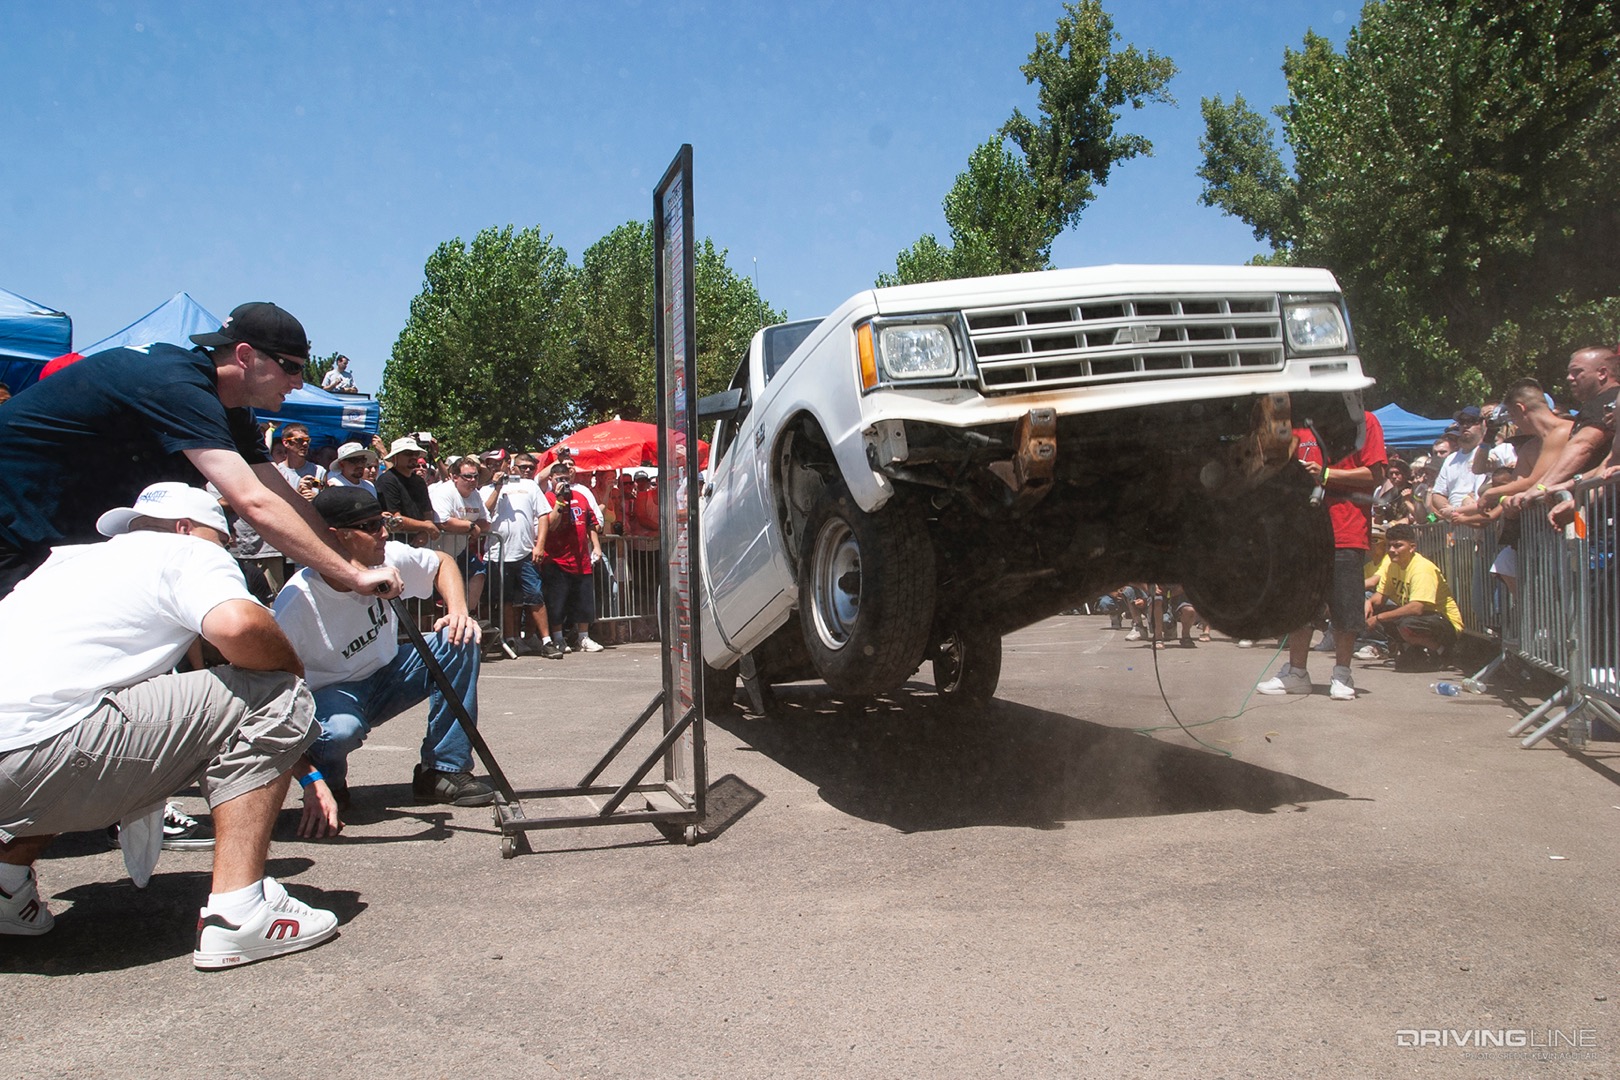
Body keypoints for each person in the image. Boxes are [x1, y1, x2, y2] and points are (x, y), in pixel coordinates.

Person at [0, 483, 340, 967]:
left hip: (23, 755)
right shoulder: (184, 550)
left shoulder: (67, 564)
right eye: (222, 541)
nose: (224, 552)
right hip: (37, 754)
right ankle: (239, 914)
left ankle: (6, 886)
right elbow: (239, 627)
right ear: (185, 528)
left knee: (95, 715)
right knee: (276, 691)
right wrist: (290, 669)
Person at [0, 301, 402, 601]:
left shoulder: (232, 409)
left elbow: (281, 497)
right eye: (292, 367)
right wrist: (351, 576)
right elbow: (253, 502)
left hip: (53, 539)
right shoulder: (178, 385)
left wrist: (348, 565)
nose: (299, 382)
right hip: (12, 533)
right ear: (245, 356)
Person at [272, 487, 496, 815]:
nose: (383, 533)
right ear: (338, 537)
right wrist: (309, 780)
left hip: (386, 674)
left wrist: (459, 610)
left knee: (458, 638)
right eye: (371, 525)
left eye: (384, 522)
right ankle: (328, 782)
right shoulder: (296, 603)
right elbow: (270, 704)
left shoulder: (386, 555)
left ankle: (443, 769)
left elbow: (442, 562)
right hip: (332, 696)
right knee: (340, 730)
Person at [1258, 411, 1387, 701]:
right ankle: (1296, 673)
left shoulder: (1363, 421)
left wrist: (1325, 474)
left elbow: (1374, 474)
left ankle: (1342, 674)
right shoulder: (1298, 425)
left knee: (1344, 608)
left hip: (1345, 531)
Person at [483, 453, 559, 657]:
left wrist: (540, 545)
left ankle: (546, 640)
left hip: (525, 552)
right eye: (522, 467)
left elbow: (543, 515)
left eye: (530, 468)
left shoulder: (531, 487)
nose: (527, 471)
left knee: (535, 595)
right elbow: (485, 513)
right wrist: (497, 488)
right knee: (506, 599)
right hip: (497, 554)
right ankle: (510, 640)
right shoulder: (485, 490)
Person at [1365, 523, 1464, 669]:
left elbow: (1416, 608)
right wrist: (1368, 603)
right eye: (1389, 546)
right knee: (1377, 610)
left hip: (1444, 622)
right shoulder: (1392, 565)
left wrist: (1379, 618)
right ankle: (1410, 651)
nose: (1392, 550)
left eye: (1398, 546)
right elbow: (1380, 597)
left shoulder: (1422, 569)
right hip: (1420, 618)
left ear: (1412, 547)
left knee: (1405, 623)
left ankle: (1442, 652)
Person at [541, 462, 605, 653]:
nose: (563, 483)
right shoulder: (547, 498)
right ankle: (559, 638)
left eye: (566, 479)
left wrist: (596, 546)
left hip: (581, 559)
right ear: (551, 480)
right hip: (557, 560)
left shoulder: (581, 497)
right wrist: (560, 501)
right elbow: (550, 525)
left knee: (584, 601)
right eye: (559, 480)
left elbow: (591, 523)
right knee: (557, 602)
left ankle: (583, 637)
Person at [429, 457, 491, 616]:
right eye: (467, 476)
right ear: (455, 477)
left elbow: (487, 522)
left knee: (479, 572)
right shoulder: (444, 491)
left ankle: (465, 615)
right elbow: (442, 522)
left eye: (475, 476)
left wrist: (470, 527)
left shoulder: (475, 495)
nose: (472, 480)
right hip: (436, 552)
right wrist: (470, 526)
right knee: (436, 595)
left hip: (459, 551)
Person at [375, 436, 439, 546]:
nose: (414, 457)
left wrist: (424, 533)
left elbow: (427, 512)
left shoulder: (419, 482)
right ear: (395, 456)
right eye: (408, 453)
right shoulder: (387, 480)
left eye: (416, 453)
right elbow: (396, 518)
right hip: (393, 544)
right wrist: (426, 527)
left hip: (418, 545)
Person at [1427, 406, 1487, 520]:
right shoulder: (1450, 459)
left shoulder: (1488, 452)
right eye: (1462, 422)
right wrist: (1452, 512)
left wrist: (1462, 512)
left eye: (1471, 421)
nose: (1465, 425)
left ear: (1483, 424)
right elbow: (1437, 494)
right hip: (1456, 524)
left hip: (1480, 521)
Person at [276, 423, 326, 501]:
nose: (305, 444)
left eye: (307, 440)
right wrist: (298, 495)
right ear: (286, 443)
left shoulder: (319, 471)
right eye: (299, 440)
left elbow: (328, 501)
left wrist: (317, 498)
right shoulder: (277, 472)